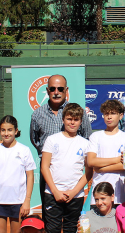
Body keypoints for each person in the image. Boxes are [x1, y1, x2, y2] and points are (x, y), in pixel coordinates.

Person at [30, 74, 93, 219]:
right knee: (50, 217)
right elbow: (35, 139)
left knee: (73, 221)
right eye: (52, 89)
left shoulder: (77, 113)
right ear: (47, 90)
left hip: (73, 173)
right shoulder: (37, 114)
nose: (56, 92)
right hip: (49, 171)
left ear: (66, 90)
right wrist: (48, 157)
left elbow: (87, 137)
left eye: (60, 89)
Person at [41, 103, 90, 233]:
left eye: (76, 120)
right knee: (53, 231)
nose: (72, 122)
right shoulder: (52, 140)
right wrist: (55, 191)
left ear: (80, 122)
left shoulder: (85, 143)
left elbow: (88, 172)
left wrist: (75, 191)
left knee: (70, 232)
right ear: (63, 119)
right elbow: (44, 167)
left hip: (74, 196)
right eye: (69, 119)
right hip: (52, 195)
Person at [0, 115, 35, 233]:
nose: (6, 133)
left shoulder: (24, 150)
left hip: (18, 202)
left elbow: (30, 176)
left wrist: (27, 200)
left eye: (9, 130)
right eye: (3, 130)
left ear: (16, 131)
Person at [87, 100, 125, 206]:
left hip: (120, 195)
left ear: (121, 116)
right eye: (106, 113)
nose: (109, 117)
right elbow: (91, 161)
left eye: (113, 113)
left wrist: (100, 168)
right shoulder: (95, 136)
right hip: (99, 194)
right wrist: (117, 159)